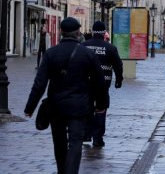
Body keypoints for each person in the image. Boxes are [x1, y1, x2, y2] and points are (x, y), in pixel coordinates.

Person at [24, 17, 107, 174]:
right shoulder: (87, 54)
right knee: (76, 142)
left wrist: (30, 107)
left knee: (59, 143)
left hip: (57, 106)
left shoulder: (50, 54)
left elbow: (39, 84)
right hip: (80, 106)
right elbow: (99, 83)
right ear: (78, 33)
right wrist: (101, 105)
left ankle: (62, 171)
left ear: (61, 32)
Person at [81, 21, 123, 147]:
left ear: (93, 32)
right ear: (105, 33)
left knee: (87, 108)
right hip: (103, 83)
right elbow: (118, 66)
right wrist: (119, 80)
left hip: (86, 83)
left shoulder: (84, 46)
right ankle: (98, 138)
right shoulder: (110, 48)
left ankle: (86, 134)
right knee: (101, 108)